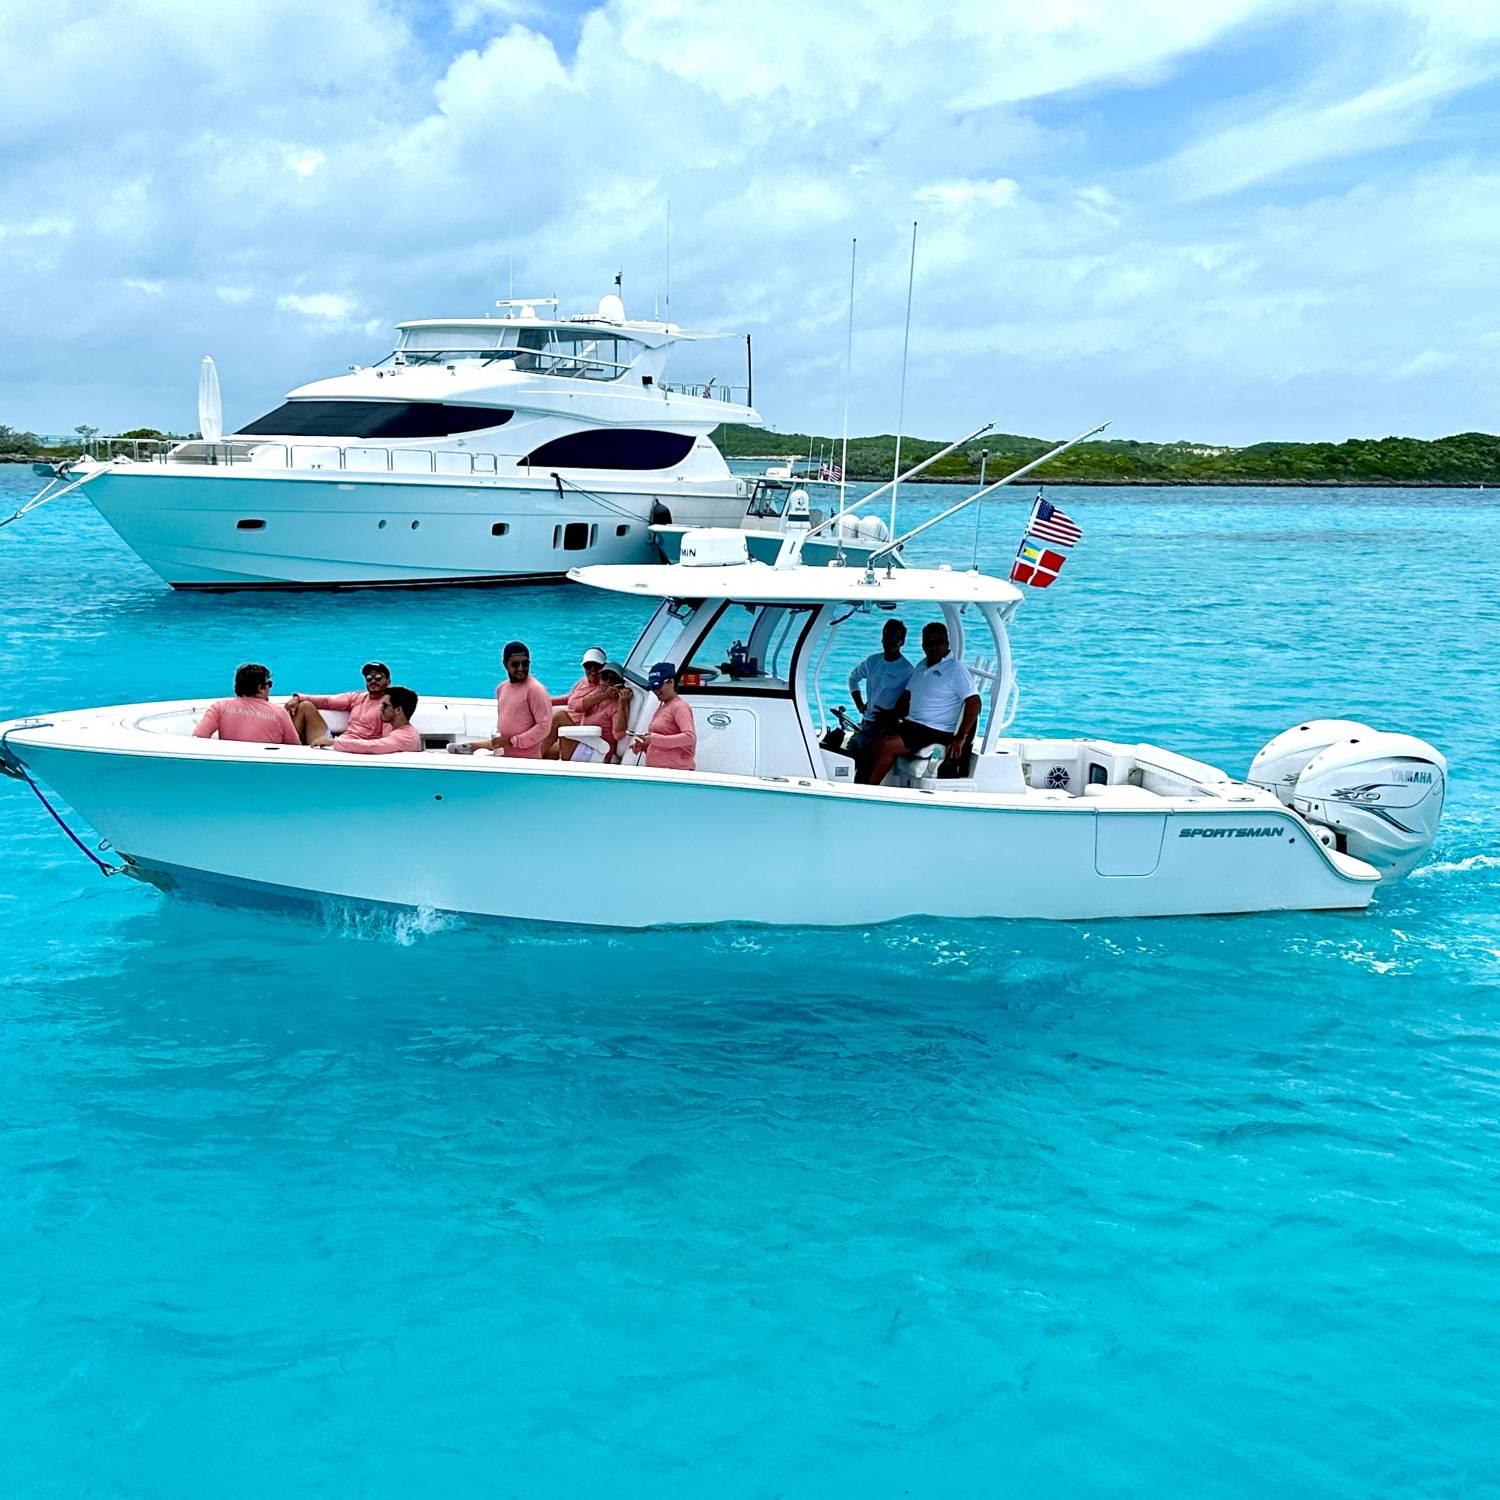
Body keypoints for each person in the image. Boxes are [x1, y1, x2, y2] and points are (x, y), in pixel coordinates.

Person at [856, 622, 981, 785]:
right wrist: (892, 715)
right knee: (875, 740)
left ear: (947, 644)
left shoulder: (956, 669)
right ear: (923, 645)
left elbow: (974, 702)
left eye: (939, 642)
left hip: (935, 730)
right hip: (913, 725)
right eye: (929, 643)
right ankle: (858, 784)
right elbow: (907, 694)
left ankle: (869, 791)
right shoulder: (921, 665)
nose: (934, 647)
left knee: (888, 746)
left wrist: (961, 737)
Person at [449, 639, 552, 756]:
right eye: (515, 664)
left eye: (525, 663)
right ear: (505, 664)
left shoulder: (535, 689)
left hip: (526, 760)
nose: (521, 668)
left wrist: (513, 742)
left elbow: (544, 726)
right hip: (504, 755)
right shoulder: (501, 688)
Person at [846, 618, 912, 758]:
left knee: (863, 761)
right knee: (847, 755)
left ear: (902, 641)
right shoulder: (873, 661)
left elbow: (911, 702)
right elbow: (853, 679)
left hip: (884, 728)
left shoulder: (907, 670)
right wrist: (859, 704)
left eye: (894, 637)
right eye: (886, 635)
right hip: (865, 723)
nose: (889, 640)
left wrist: (894, 715)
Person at [284, 661, 394, 746]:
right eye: (369, 678)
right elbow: (327, 701)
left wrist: (336, 743)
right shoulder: (357, 697)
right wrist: (297, 697)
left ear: (388, 682)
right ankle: (291, 750)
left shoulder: (389, 706)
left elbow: (383, 742)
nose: (373, 681)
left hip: (356, 749)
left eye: (378, 677)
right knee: (305, 706)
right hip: (338, 742)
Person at [545, 646, 622, 760]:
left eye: (597, 666)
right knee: (544, 750)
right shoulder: (583, 682)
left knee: (559, 716)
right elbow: (570, 699)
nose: (593, 670)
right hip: (575, 735)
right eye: (588, 665)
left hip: (583, 737)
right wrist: (544, 701)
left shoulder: (604, 694)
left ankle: (531, 759)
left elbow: (575, 705)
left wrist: (609, 697)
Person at [193, 662, 299, 744]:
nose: (270, 688)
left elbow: (198, 737)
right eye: (269, 684)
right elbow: (293, 746)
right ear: (260, 688)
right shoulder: (279, 713)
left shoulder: (219, 708)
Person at [313, 687, 421, 754]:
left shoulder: (404, 737)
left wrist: (333, 742)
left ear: (398, 710)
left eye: (385, 705)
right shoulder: (402, 732)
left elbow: (372, 746)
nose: (380, 708)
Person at [630, 662, 696, 770]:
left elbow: (689, 738)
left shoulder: (680, 707)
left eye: (658, 686)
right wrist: (645, 746)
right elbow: (664, 742)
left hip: (674, 772)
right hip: (661, 771)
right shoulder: (663, 707)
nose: (655, 691)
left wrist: (654, 739)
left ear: (671, 682)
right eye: (653, 687)